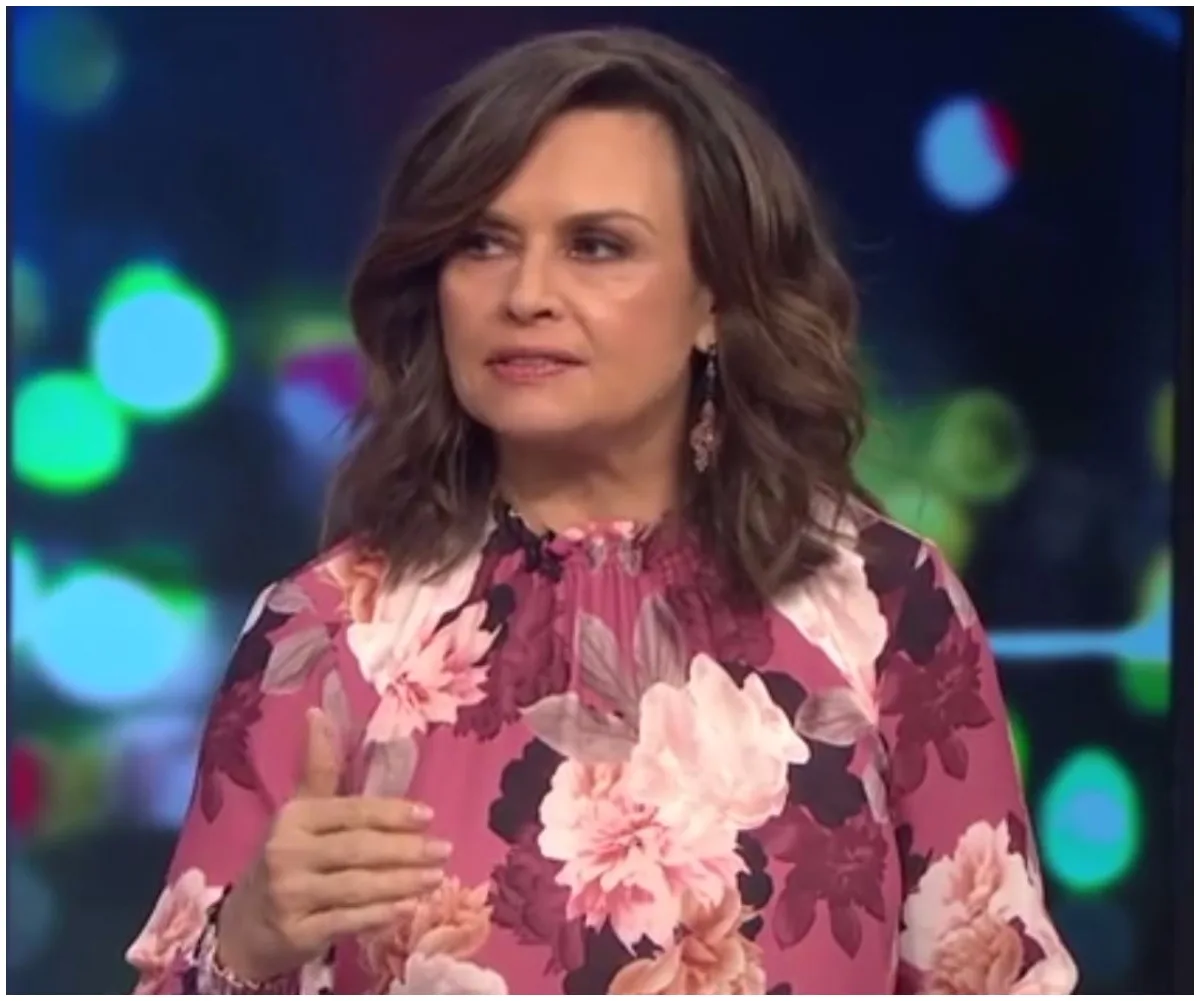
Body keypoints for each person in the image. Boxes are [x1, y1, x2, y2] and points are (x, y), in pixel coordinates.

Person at [125, 26, 1078, 996]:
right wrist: (240, 948)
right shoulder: (323, 634)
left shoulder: (887, 608)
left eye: (597, 245)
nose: (526, 293)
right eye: (483, 242)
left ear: (716, 298)